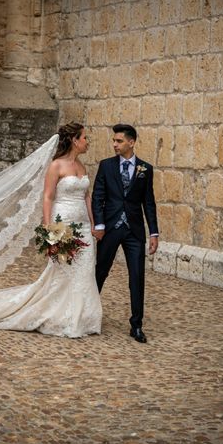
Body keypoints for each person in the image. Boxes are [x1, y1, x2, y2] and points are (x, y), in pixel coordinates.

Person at [0, 122, 102, 338]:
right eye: (84, 138)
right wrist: (49, 229)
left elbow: (86, 196)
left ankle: (82, 317)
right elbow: (48, 196)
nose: (87, 142)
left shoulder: (82, 166)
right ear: (75, 140)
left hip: (82, 225)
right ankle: (60, 315)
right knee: (63, 270)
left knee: (84, 271)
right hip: (62, 221)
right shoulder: (56, 165)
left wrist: (93, 223)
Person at [92, 124, 159, 343]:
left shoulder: (145, 169)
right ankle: (89, 315)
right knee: (100, 272)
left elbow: (148, 202)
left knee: (137, 276)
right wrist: (99, 225)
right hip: (110, 228)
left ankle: (136, 325)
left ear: (131, 142)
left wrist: (154, 233)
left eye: (119, 141)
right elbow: (97, 197)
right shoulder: (106, 166)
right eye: (114, 141)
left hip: (134, 232)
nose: (115, 144)